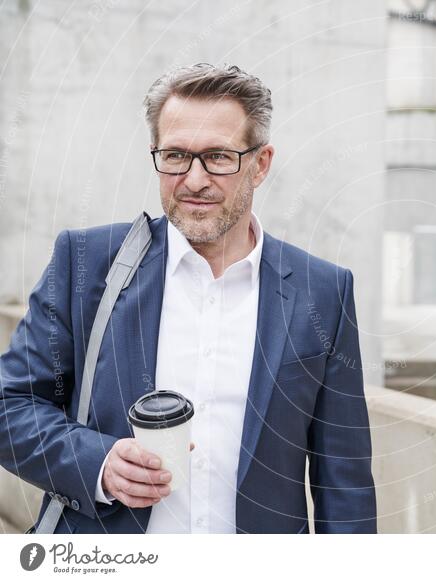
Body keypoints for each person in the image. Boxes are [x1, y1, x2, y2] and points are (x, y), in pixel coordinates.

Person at [0, 64, 377, 534]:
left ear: (260, 163)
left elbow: (345, 484)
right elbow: (10, 404)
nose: (195, 180)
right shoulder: (85, 264)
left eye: (218, 157)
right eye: (176, 155)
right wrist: (98, 465)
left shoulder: (323, 290)